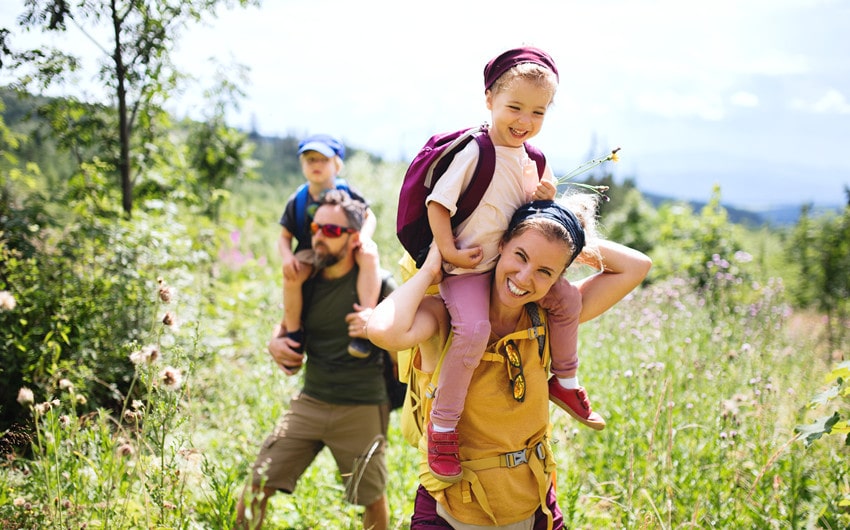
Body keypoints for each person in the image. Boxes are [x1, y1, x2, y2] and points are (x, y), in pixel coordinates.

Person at [368, 197, 652, 529]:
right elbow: (384, 331)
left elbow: (637, 266)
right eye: (521, 255)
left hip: (535, 508)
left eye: (545, 271)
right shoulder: (445, 315)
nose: (525, 277)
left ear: (558, 277)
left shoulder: (550, 317)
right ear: (500, 244)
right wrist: (432, 268)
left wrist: (563, 233)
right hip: (450, 511)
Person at [421, 46, 603, 483]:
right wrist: (448, 252)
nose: (525, 120)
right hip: (468, 269)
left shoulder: (533, 159)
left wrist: (544, 195)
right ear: (489, 99)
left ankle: (565, 380)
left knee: (566, 301)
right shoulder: (475, 151)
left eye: (538, 112)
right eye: (515, 107)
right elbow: (438, 204)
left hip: (508, 266)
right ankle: (442, 427)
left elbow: (535, 216)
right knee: (473, 330)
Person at [237, 190, 394, 530]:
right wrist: (274, 344)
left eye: (332, 230)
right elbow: (284, 328)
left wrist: (377, 328)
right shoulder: (306, 280)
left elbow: (405, 345)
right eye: (315, 228)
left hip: (362, 404)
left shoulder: (380, 285)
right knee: (256, 485)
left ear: (354, 238)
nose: (319, 237)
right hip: (311, 400)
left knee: (372, 497)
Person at [278, 133, 381, 359]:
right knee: (291, 277)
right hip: (310, 250)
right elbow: (284, 236)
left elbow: (369, 216)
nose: (316, 165)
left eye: (323, 160)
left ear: (337, 165)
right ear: (302, 164)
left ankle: (364, 321)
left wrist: (364, 237)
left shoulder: (347, 192)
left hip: (345, 245)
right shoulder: (298, 199)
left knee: (369, 255)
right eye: (310, 160)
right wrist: (287, 257)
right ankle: (294, 334)